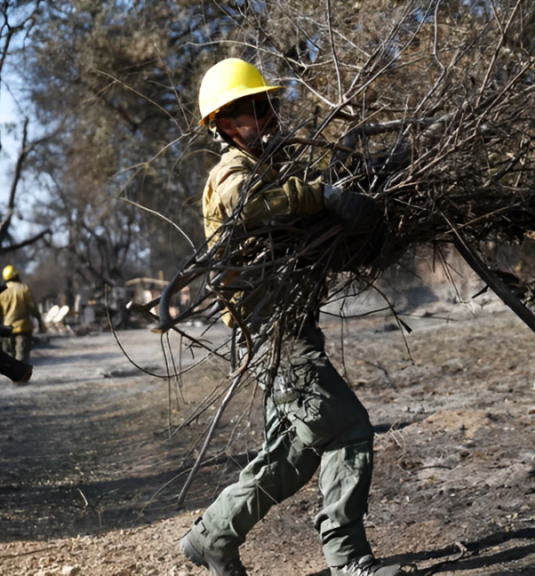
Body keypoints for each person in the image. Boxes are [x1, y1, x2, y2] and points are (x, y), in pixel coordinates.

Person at [179, 58, 400, 576]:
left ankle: (212, 537)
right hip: (270, 333)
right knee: (347, 428)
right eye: (259, 107)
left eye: (270, 105)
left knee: (294, 452)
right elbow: (244, 205)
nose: (271, 114)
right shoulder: (232, 173)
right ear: (229, 122)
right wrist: (320, 194)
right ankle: (347, 560)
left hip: (286, 327)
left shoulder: (267, 167)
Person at [0, 265, 44, 362]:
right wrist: (40, 321)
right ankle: (21, 375)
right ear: (17, 276)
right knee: (22, 356)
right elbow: (33, 308)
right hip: (23, 328)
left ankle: (14, 374)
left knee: (10, 355)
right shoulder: (24, 289)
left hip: (7, 329)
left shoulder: (1, 291)